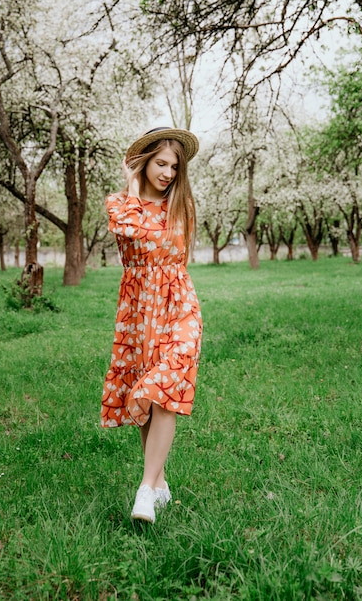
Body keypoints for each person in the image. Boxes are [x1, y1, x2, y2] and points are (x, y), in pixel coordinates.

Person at [100, 127, 203, 523]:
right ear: (143, 162)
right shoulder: (120, 206)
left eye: (174, 167)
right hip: (140, 311)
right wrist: (130, 188)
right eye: (161, 163)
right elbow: (132, 233)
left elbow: (168, 249)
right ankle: (158, 486)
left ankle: (145, 490)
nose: (168, 173)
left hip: (179, 303)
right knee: (143, 395)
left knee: (165, 385)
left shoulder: (182, 204)